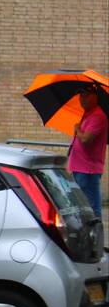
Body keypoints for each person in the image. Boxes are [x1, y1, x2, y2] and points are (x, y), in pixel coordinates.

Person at [69, 86, 108, 218]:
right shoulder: (88, 115)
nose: (82, 99)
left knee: (92, 209)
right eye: (81, 95)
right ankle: (88, 236)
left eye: (86, 95)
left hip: (87, 171)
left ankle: (96, 237)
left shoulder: (98, 116)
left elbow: (86, 140)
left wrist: (77, 129)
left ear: (96, 96)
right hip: (81, 169)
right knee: (84, 209)